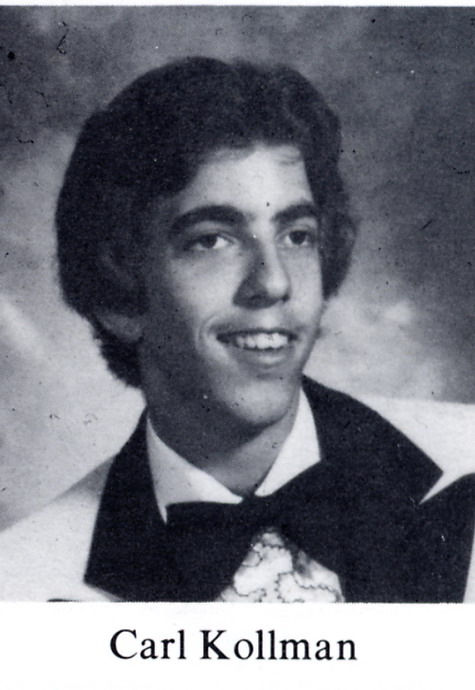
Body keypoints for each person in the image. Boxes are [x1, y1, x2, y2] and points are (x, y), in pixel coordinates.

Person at [1, 57, 474, 602]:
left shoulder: (461, 471)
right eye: (212, 240)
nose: (273, 282)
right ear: (120, 298)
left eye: (297, 235)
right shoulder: (25, 587)